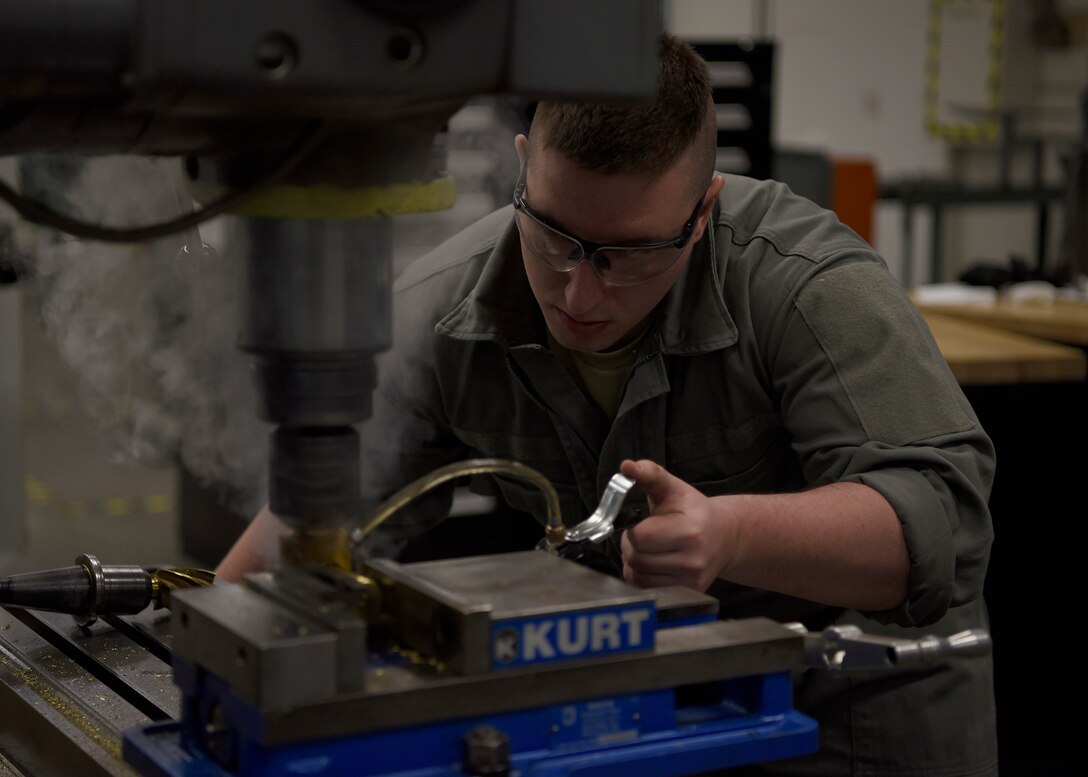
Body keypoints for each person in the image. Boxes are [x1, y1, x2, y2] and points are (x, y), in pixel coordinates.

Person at [217, 33, 997, 777]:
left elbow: (941, 524)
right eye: (554, 235)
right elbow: (320, 516)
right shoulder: (445, 315)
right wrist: (206, 635)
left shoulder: (805, 286)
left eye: (629, 255)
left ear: (704, 210)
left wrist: (731, 534)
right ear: (522, 165)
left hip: (851, 711)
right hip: (641, 714)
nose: (578, 293)